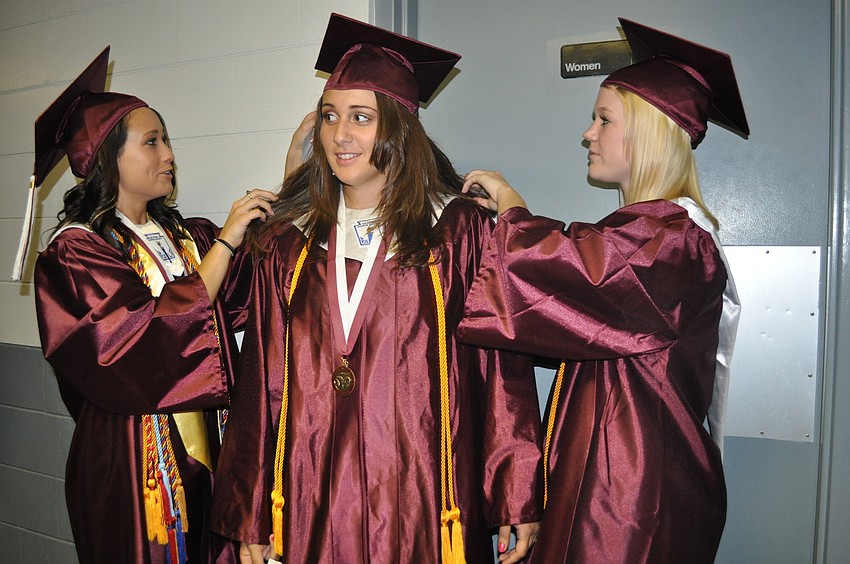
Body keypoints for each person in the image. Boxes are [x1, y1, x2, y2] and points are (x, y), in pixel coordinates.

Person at [211, 13, 543, 564]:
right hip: (311, 490)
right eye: (329, 117)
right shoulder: (286, 243)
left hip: (422, 492)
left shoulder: (455, 230)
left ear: (398, 128)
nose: (340, 135)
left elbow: (499, 368)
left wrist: (515, 491)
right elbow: (262, 380)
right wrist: (251, 508)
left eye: (361, 118)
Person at [457, 18, 746, 564]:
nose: (588, 133)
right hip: (612, 484)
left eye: (603, 119)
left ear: (648, 131)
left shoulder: (674, 243)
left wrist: (512, 213)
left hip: (635, 503)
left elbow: (579, 270)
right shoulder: (646, 233)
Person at [28, 47, 276, 564]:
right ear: (106, 159)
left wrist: (299, 167)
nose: (169, 156)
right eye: (152, 142)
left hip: (208, 446)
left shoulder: (185, 237)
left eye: (166, 140)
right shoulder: (75, 252)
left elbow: (252, 288)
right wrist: (227, 243)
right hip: (134, 464)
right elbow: (142, 336)